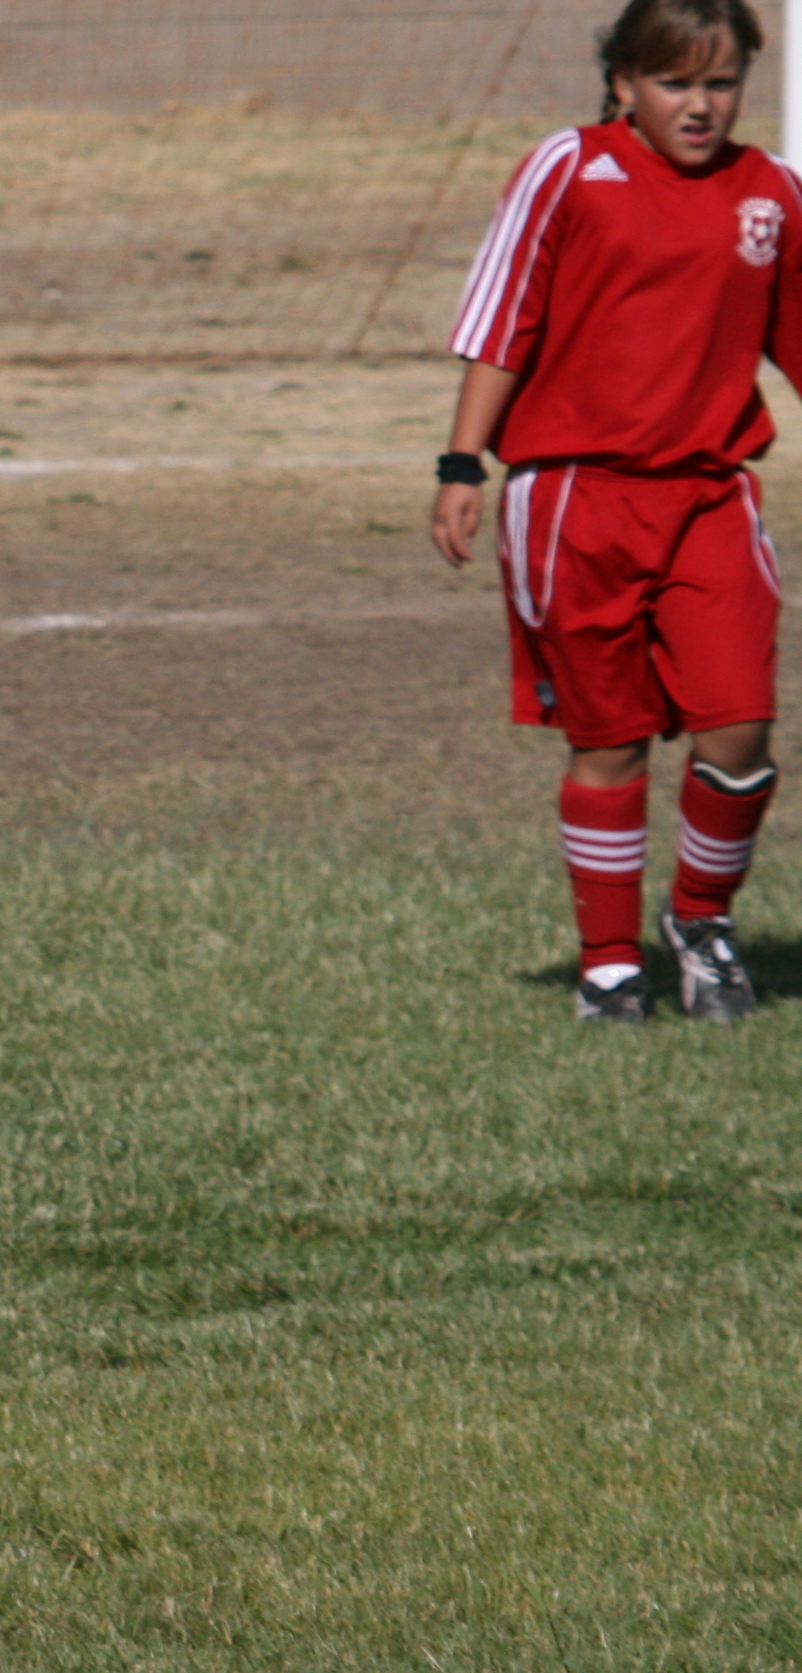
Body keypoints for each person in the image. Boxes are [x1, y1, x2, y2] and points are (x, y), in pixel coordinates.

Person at [440, 0, 795, 1023]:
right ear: (624, 85)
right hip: (574, 497)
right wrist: (461, 462)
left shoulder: (772, 193)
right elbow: (505, 320)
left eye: (721, 83)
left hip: (710, 495)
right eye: (675, 83)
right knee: (611, 742)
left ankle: (700, 920)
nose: (700, 105)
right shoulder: (571, 167)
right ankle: (607, 963)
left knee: (741, 733)